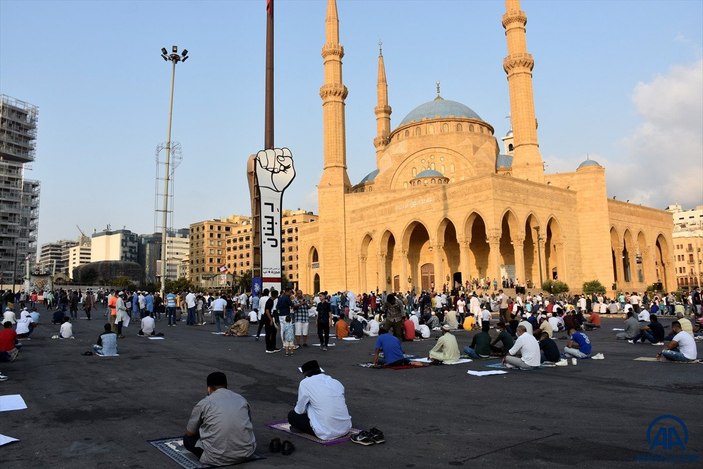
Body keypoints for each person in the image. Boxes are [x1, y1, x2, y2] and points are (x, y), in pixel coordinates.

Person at [184, 371, 257, 465]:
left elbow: (190, 433)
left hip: (216, 458)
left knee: (187, 439)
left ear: (209, 388)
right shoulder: (241, 399)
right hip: (246, 453)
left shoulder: (205, 403)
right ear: (226, 386)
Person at [288, 360, 352, 440]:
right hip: (345, 428)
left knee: (292, 415)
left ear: (305, 374)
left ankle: (301, 428)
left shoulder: (305, 383)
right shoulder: (336, 382)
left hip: (326, 432)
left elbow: (299, 410)